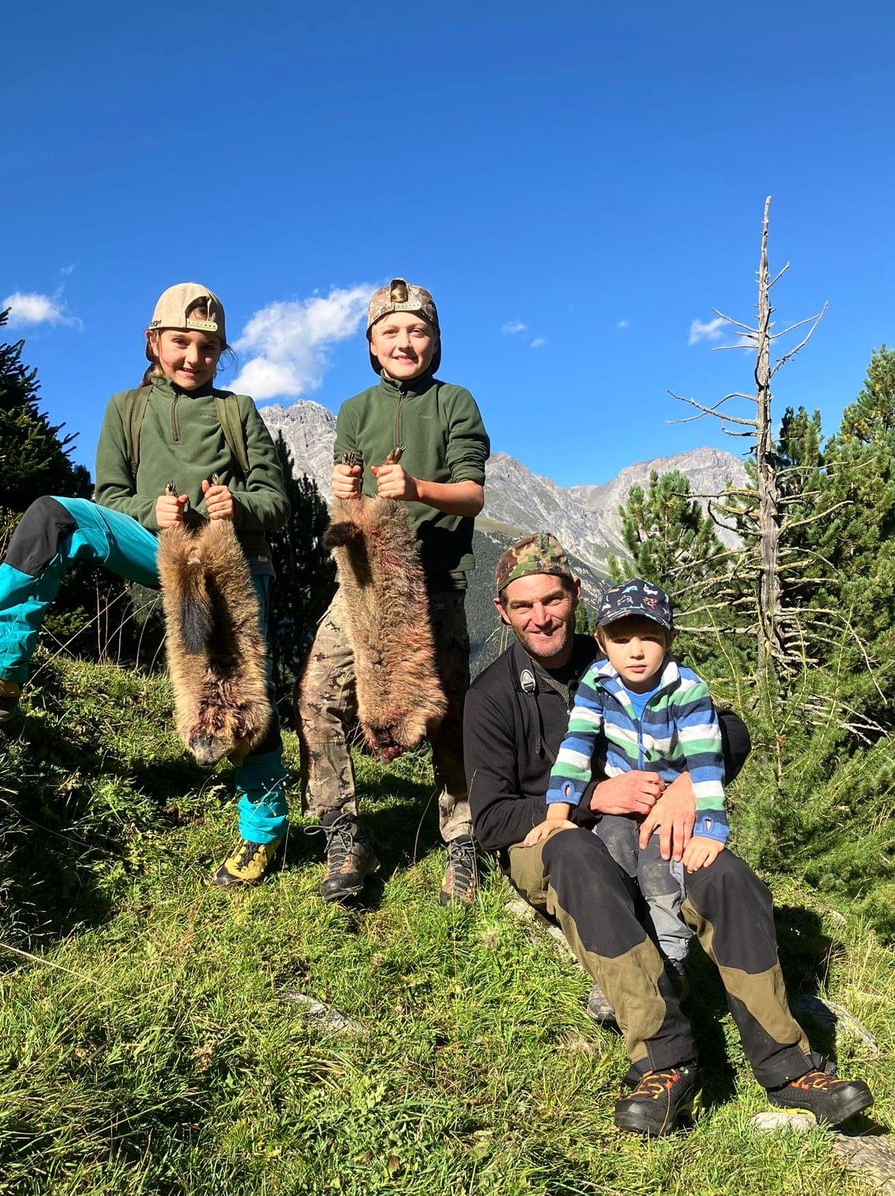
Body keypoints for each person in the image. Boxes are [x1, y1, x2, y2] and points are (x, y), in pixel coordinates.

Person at [464, 533, 873, 1135]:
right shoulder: (491, 697)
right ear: (502, 611)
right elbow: (490, 818)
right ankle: (663, 1060)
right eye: (523, 607)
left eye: (552, 600)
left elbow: (726, 728)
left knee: (725, 875)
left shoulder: (620, 650)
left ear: (575, 598)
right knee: (577, 855)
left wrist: (686, 787)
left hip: (649, 823)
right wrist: (592, 799)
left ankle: (790, 1064)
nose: (541, 617)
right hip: (551, 838)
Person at [0, 283, 291, 886]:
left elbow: (277, 502)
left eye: (208, 348)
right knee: (55, 515)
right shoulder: (125, 409)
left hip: (232, 560)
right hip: (154, 543)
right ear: (153, 342)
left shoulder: (238, 409)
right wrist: (154, 514)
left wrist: (238, 507)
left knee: (243, 693)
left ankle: (264, 833)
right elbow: (109, 498)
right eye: (180, 343)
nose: (193, 358)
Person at [298, 278, 490, 906]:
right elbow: (347, 507)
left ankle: (462, 840)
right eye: (390, 331)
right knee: (320, 695)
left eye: (417, 330)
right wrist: (345, 489)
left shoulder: (455, 402)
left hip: (435, 581)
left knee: (449, 710)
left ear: (434, 341)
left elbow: (472, 496)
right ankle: (344, 835)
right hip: (360, 586)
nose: (404, 341)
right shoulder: (354, 411)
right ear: (372, 345)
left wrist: (414, 490)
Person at [524, 577, 730, 1006]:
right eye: (621, 639)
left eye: (649, 638)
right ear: (601, 641)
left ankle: (671, 963)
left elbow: (706, 763)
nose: (635, 651)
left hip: (667, 807)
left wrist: (711, 827)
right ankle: (620, 964)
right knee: (610, 858)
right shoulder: (598, 684)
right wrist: (558, 813)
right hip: (620, 804)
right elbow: (576, 745)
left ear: (668, 639)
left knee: (660, 871)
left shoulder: (687, 691)